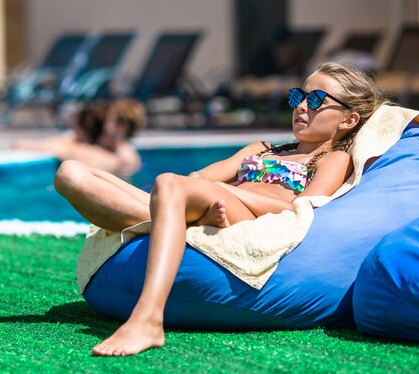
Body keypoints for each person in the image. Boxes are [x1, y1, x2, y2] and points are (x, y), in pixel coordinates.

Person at [54, 62, 387, 356]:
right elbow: (198, 178)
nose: (301, 106)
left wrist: (223, 192)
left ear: (348, 119)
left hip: (247, 216)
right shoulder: (263, 148)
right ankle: (184, 218)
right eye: (297, 96)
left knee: (170, 184)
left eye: (315, 100)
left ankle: (148, 318)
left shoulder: (331, 159)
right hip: (212, 204)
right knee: (71, 173)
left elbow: (301, 208)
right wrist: (198, 193)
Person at [9, 98, 144, 177]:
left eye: (108, 120)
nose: (102, 123)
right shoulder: (106, 148)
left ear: (121, 126)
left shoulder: (125, 157)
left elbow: (81, 156)